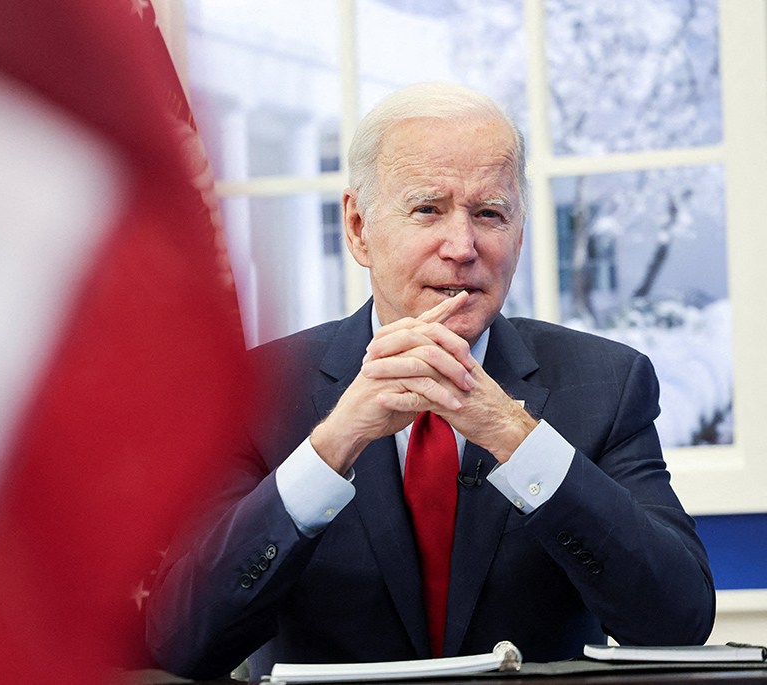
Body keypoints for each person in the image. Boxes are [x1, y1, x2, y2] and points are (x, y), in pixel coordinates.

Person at [145, 83, 715, 680]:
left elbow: (678, 622)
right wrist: (330, 447)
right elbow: (182, 640)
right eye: (428, 210)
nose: (463, 247)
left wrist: (518, 439)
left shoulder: (608, 383)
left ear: (519, 234)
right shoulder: (250, 392)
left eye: (490, 214)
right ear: (359, 227)